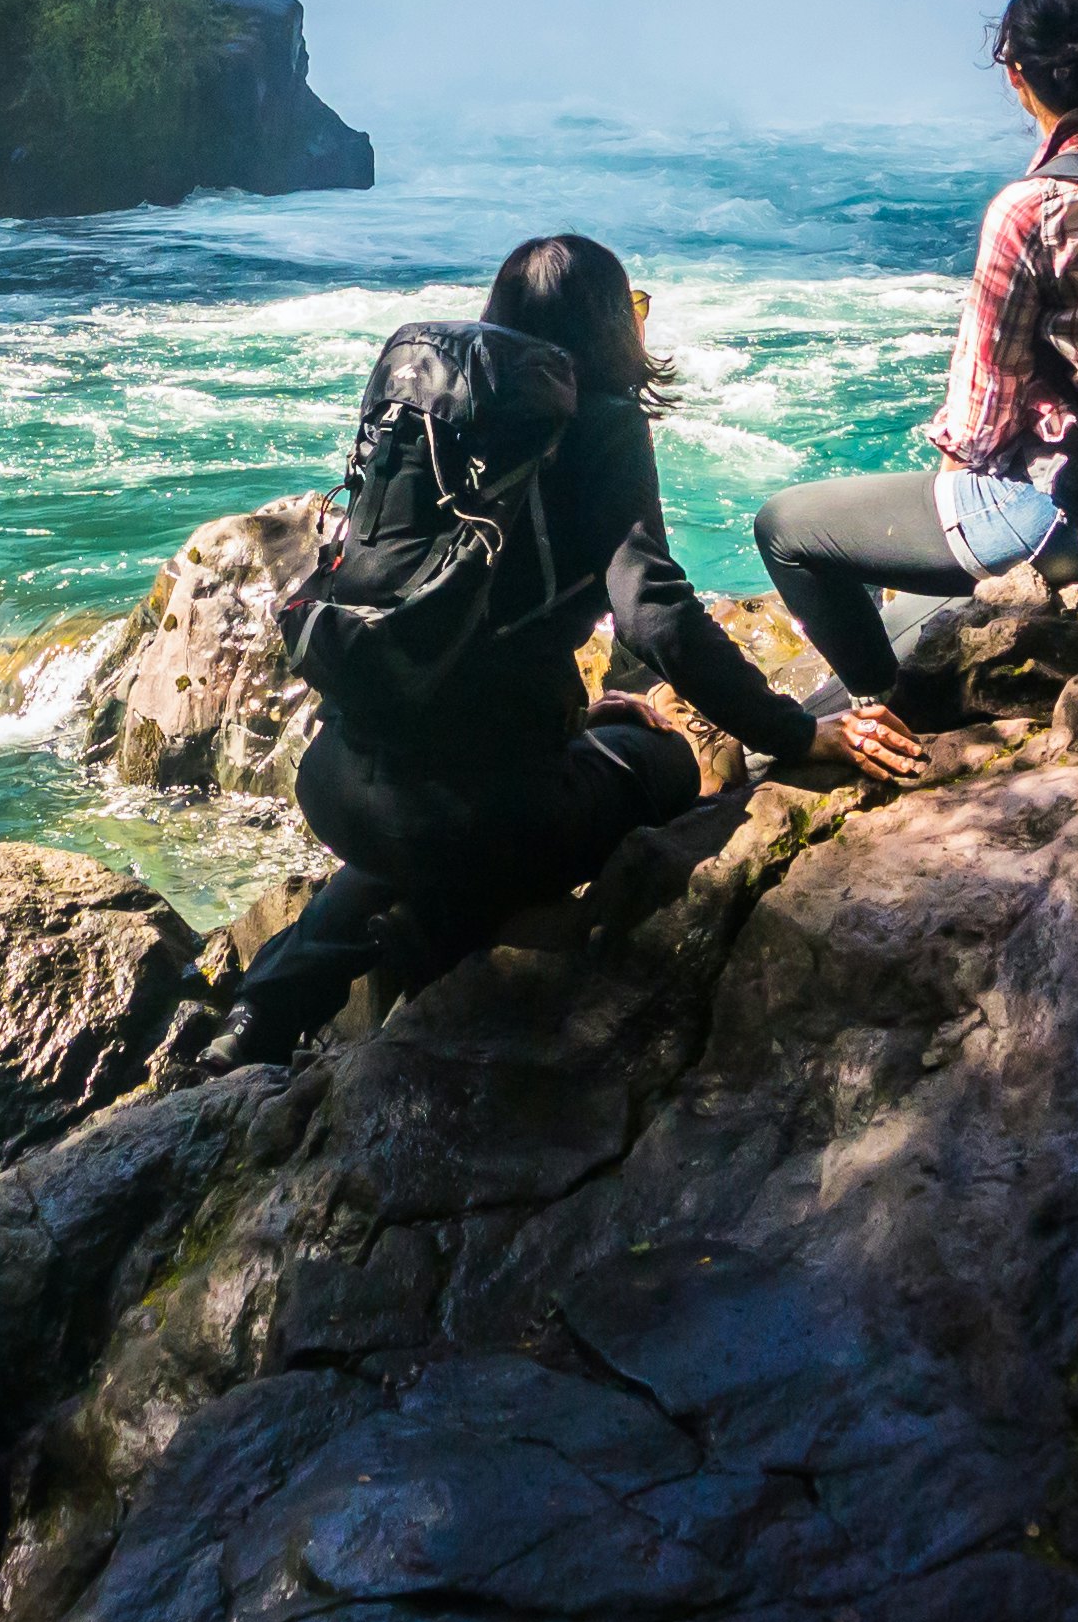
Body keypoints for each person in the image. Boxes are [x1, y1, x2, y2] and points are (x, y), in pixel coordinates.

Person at [221, 234, 921, 1064]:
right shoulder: (602, 425)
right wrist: (798, 734)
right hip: (474, 814)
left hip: (338, 783)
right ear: (613, 329)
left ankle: (256, 1019)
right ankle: (435, 936)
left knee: (429, 814)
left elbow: (452, 633)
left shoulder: (438, 421)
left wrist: (573, 713)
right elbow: (654, 618)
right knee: (662, 766)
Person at [752, 0, 1078, 722]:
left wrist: (939, 508)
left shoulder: (1030, 211)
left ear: (1014, 74)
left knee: (789, 529)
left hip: (1063, 516)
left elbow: (978, 426)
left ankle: (886, 709)